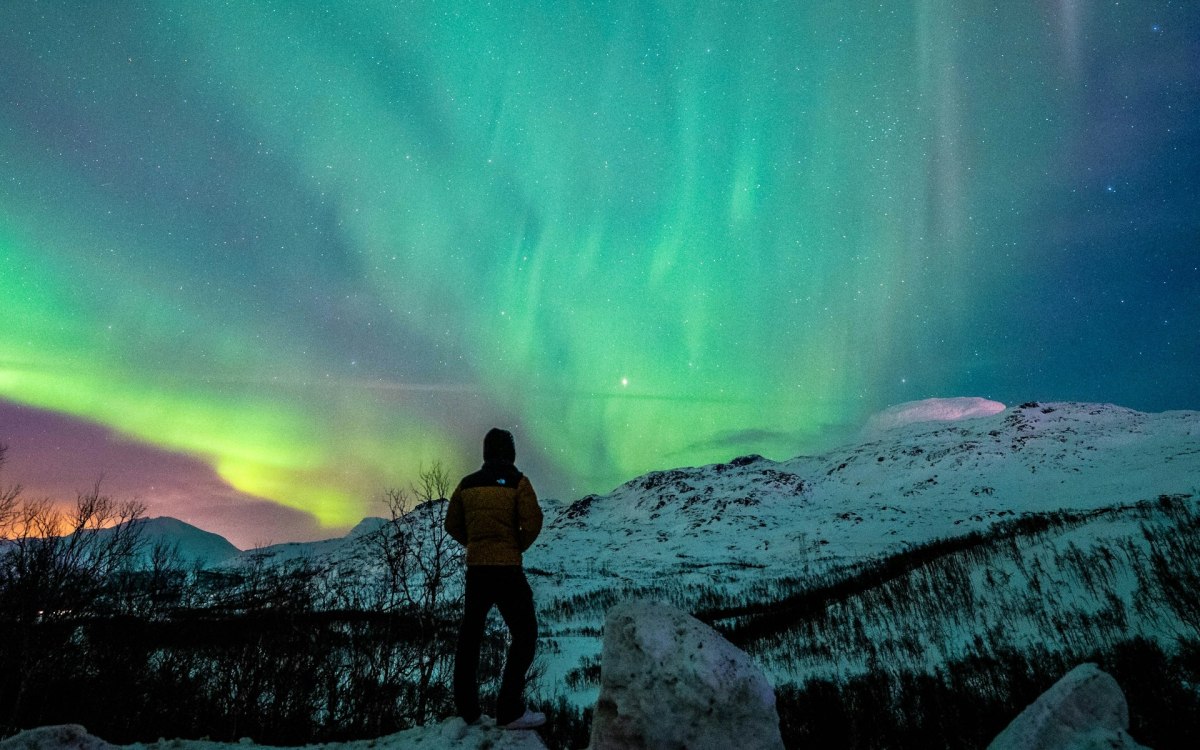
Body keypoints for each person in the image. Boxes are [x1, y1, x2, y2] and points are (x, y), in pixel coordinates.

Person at [444, 428, 545, 730]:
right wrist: (516, 546)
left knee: (470, 636)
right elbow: (534, 521)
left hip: (477, 570)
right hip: (507, 569)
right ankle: (509, 709)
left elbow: (452, 524)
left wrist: (475, 543)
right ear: (510, 452)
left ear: (486, 451)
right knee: (525, 634)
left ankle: (467, 710)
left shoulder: (466, 485)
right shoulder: (519, 482)